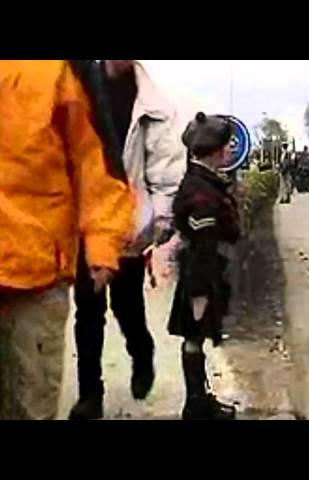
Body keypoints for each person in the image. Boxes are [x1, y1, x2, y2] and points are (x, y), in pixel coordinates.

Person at [0, 60, 134, 420]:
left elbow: (96, 160)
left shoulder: (61, 69)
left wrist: (103, 244)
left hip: (36, 272)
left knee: (30, 405)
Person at [69, 60, 185, 420]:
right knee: (88, 311)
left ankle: (142, 352)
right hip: (83, 220)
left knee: (126, 307)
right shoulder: (78, 82)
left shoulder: (155, 105)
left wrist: (157, 225)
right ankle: (90, 394)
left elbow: (166, 172)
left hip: (128, 225)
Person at [169, 112, 241, 420]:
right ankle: (196, 404)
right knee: (194, 336)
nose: (229, 151)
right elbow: (202, 247)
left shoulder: (205, 182)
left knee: (196, 337)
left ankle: (199, 399)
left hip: (207, 270)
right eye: (224, 147)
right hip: (201, 273)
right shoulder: (200, 191)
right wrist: (200, 291)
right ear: (213, 151)